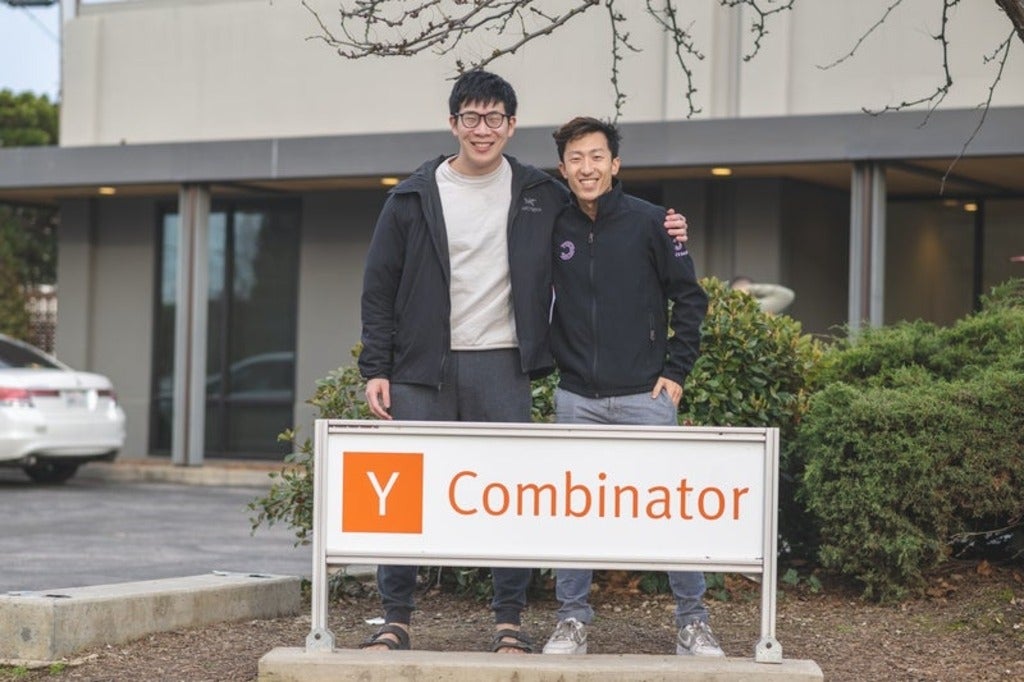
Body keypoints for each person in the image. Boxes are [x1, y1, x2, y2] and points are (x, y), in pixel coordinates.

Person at [358, 71, 689, 654]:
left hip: (502, 362)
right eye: (470, 118)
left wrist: (668, 228)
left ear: (511, 125)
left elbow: (603, 208)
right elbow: (379, 286)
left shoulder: (541, 191)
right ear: (453, 123)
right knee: (407, 493)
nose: (481, 130)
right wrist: (375, 368)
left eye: (493, 119)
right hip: (420, 368)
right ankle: (396, 617)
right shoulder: (412, 196)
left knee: (506, 494)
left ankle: (508, 619)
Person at [541, 116, 724, 658]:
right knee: (573, 512)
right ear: (562, 168)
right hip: (577, 395)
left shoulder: (653, 223)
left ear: (615, 164)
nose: (587, 167)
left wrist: (675, 375)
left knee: (672, 508)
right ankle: (571, 620)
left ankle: (693, 622)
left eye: (597, 156)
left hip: (646, 395)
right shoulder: (553, 224)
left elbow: (690, 298)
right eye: (576, 158)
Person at [729, 276, 795, 314]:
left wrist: (750, 288)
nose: (741, 292)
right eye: (738, 287)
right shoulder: (723, 307)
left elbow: (787, 295)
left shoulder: (758, 307)